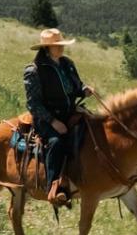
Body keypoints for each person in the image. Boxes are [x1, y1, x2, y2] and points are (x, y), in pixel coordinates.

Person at [23, 28, 96, 206]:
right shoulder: (34, 71)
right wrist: (54, 122)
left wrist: (84, 89)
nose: (61, 48)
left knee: (94, 130)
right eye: (57, 46)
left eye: (61, 45)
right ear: (47, 48)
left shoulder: (67, 63)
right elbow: (34, 104)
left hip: (70, 112)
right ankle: (54, 188)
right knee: (56, 142)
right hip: (47, 119)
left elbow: (77, 85)